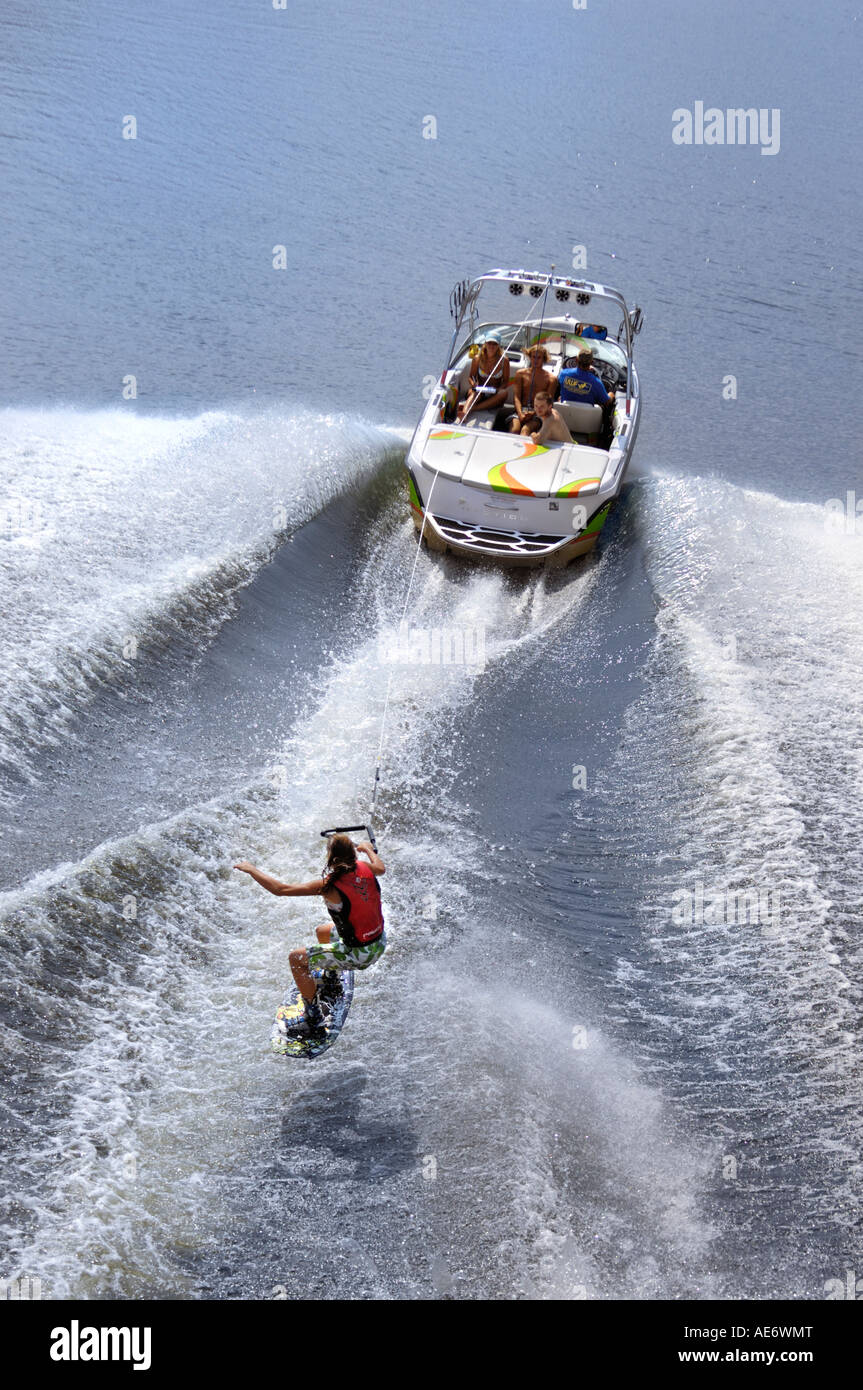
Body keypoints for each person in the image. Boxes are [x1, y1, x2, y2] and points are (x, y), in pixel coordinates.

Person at [234, 833, 386, 1034]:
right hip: (378, 942)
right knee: (322, 931)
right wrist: (367, 849)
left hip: (361, 954)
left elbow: (281, 889)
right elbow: (381, 868)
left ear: (331, 858)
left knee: (296, 958)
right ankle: (331, 979)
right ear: (352, 855)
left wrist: (251, 869)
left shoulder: (329, 885)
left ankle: (313, 1016)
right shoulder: (365, 868)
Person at [457, 333, 510, 422]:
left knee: (504, 393)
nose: (491, 346)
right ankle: (464, 414)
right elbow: (471, 376)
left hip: (494, 394)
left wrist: (498, 390)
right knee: (475, 393)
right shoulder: (477, 358)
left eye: (495, 344)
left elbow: (506, 381)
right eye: (489, 343)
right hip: (479, 391)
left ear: (498, 346)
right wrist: (473, 383)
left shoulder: (504, 361)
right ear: (485, 343)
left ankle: (472, 408)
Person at [507, 344, 558, 434]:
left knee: (525, 430)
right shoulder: (520, 374)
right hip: (520, 410)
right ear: (530, 357)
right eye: (533, 357)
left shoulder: (551, 379)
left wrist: (534, 413)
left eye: (539, 358)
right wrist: (520, 414)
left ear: (544, 359)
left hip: (540, 413)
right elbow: (516, 397)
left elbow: (548, 403)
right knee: (514, 430)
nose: (535, 360)